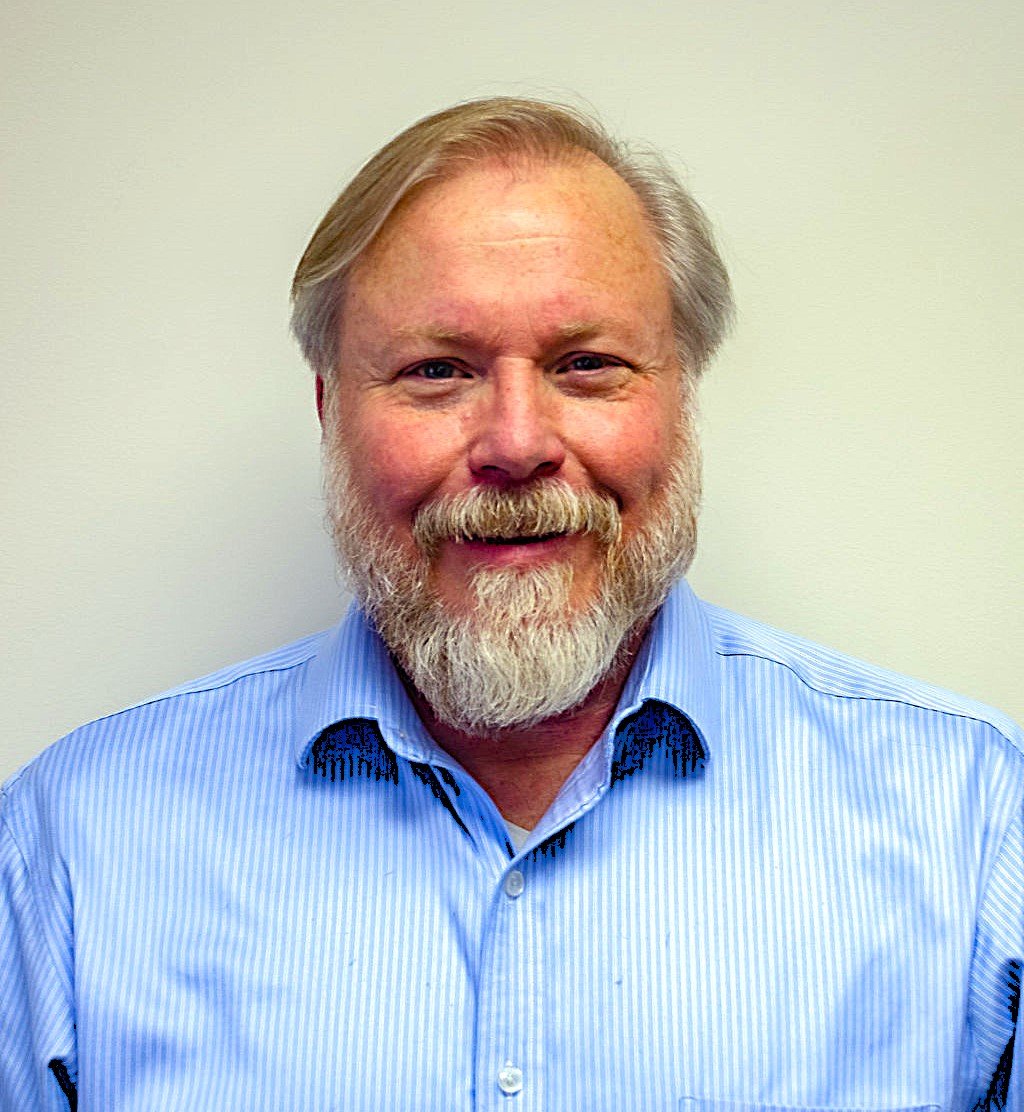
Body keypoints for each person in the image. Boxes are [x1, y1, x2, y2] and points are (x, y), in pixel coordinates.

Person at [2, 97, 1020, 1110]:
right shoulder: (74, 847)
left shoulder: (972, 824)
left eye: (587, 365)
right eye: (437, 371)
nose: (518, 441)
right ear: (329, 413)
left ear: (682, 397)